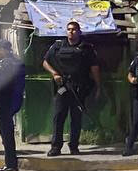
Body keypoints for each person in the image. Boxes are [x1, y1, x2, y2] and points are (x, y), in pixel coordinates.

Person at [42, 21, 101, 156]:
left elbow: (95, 68)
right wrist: (54, 73)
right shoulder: (57, 46)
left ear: (79, 31)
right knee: (58, 117)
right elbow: (45, 62)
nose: (71, 32)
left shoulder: (86, 48)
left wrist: (98, 87)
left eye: (74, 29)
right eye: (69, 29)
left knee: (76, 118)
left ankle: (74, 146)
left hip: (79, 89)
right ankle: (56, 147)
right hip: (62, 88)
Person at [0, 40, 26, 171]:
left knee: (6, 135)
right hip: (14, 101)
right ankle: (11, 161)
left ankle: (10, 164)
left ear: (3, 50)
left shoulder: (3, 64)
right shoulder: (17, 62)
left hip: (4, 103)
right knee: (8, 133)